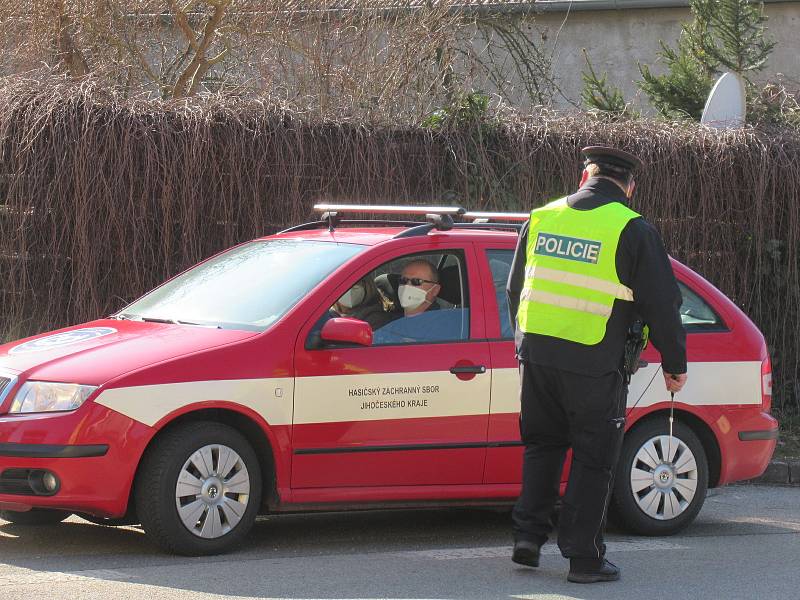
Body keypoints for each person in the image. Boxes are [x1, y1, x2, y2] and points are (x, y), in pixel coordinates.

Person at [506, 146, 688, 583]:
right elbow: (662, 304)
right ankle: (584, 560)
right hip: (593, 361)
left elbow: (515, 290)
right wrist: (674, 363)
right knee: (594, 459)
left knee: (542, 446)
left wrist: (525, 343)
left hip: (537, 356)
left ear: (585, 174)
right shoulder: (631, 227)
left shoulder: (542, 217)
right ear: (630, 186)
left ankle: (527, 539)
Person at [373, 259, 465, 344]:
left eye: (416, 281)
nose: (407, 286)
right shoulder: (391, 320)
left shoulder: (442, 328)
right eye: (403, 280)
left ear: (435, 290)